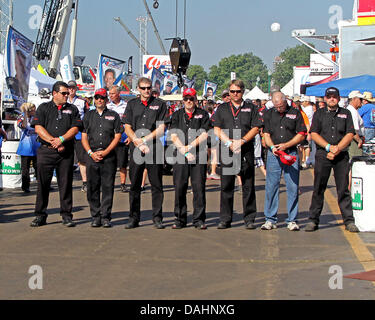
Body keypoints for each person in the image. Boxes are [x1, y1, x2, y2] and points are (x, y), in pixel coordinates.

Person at [305, 87, 359, 233]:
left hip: (341, 155)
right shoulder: (319, 114)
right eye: (329, 96)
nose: (332, 99)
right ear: (325, 98)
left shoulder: (345, 113)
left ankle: (349, 220)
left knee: (343, 189)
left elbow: (350, 134)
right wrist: (329, 147)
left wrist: (338, 149)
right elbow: (314, 133)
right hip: (324, 154)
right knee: (318, 188)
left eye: (334, 96)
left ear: (339, 98)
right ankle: (313, 219)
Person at [30, 81, 82, 227]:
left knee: (65, 184)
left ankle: (66, 215)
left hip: (65, 151)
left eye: (68, 93)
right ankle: (40, 215)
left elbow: (75, 128)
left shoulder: (72, 109)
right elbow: (38, 128)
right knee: (43, 184)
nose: (67, 95)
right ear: (54, 93)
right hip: (46, 151)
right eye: (64, 93)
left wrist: (62, 139)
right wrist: (53, 141)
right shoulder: (43, 108)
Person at [212, 79, 262, 229]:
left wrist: (242, 141)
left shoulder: (251, 108)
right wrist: (229, 143)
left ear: (243, 92)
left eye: (238, 91)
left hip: (245, 149)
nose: (235, 94)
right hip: (228, 150)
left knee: (248, 185)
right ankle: (225, 219)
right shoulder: (221, 108)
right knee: (226, 186)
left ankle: (249, 218)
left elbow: (256, 127)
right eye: (232, 91)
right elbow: (216, 128)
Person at [124, 77, 168, 229]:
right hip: (136, 147)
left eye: (149, 88)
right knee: (135, 185)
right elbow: (127, 127)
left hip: (154, 147)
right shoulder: (131, 104)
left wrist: (145, 139)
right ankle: (133, 218)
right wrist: (136, 140)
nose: (146, 91)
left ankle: (157, 218)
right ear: (138, 89)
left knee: (156, 184)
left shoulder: (160, 104)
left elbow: (162, 128)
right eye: (143, 88)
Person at [261, 92, 307, 231]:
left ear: (285, 101)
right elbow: (266, 133)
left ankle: (292, 220)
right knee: (271, 186)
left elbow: (301, 134)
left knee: (293, 186)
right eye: (276, 106)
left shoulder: (295, 113)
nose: (279, 108)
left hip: (290, 153)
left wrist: (286, 145)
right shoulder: (269, 114)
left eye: (281, 106)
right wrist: (272, 147)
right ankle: (270, 219)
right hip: (274, 154)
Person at [169, 88, 211, 229]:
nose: (188, 101)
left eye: (191, 98)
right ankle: (180, 219)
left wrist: (190, 147)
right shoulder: (176, 115)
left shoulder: (203, 114)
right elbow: (173, 135)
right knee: (179, 187)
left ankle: (199, 219)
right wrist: (184, 150)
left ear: (196, 100)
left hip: (198, 154)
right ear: (182, 100)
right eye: (186, 98)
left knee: (199, 187)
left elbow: (204, 134)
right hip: (180, 153)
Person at [81, 88, 121, 228]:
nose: (99, 100)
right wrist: (91, 153)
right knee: (92, 187)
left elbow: (117, 136)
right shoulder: (88, 116)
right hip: (92, 156)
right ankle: (95, 216)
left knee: (107, 187)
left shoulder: (114, 115)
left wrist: (106, 151)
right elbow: (84, 137)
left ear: (106, 100)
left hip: (108, 156)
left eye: (102, 97)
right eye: (97, 97)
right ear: (94, 99)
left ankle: (105, 217)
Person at [67, 80, 89, 192]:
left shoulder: (82, 101)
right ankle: (66, 182)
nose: (71, 90)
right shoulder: (63, 100)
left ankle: (85, 182)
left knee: (82, 159)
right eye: (69, 88)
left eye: (73, 88)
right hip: (66, 133)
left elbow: (88, 115)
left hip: (79, 133)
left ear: (76, 89)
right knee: (66, 159)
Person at [108, 85, 130, 192]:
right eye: (109, 93)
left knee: (122, 163)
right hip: (110, 139)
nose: (110, 95)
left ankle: (122, 184)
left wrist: (130, 136)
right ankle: (109, 183)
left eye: (112, 93)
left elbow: (130, 122)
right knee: (110, 163)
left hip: (123, 139)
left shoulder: (126, 105)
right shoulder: (107, 106)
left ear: (118, 94)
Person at [17, 103, 39, 193]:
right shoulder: (21, 117)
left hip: (36, 147)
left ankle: (42, 185)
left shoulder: (37, 117)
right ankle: (25, 186)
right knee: (25, 168)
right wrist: (25, 115)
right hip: (25, 147)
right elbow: (24, 126)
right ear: (29, 110)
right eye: (33, 109)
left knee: (38, 167)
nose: (35, 111)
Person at [346, 90, 364, 159]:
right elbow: (353, 129)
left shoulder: (351, 110)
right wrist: (359, 141)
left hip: (353, 140)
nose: (361, 101)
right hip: (354, 141)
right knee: (355, 160)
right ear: (354, 99)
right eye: (360, 99)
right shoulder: (353, 112)